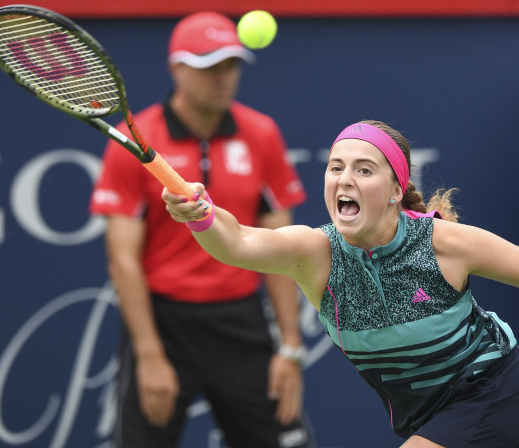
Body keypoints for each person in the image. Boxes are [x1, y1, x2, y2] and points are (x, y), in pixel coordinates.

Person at [161, 118, 519, 448]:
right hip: (435, 418)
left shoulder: (446, 245)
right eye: (335, 167)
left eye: (364, 169)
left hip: (505, 398)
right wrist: (202, 215)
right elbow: (238, 242)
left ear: (398, 189)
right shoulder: (315, 253)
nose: (345, 179)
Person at [89, 11, 313, 448]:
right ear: (178, 69)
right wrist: (150, 357)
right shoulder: (135, 139)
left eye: (230, 65)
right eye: (209, 66)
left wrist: (289, 346)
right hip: (165, 324)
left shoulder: (261, 134)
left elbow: (283, 248)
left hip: (241, 323)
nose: (222, 77)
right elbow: (122, 260)